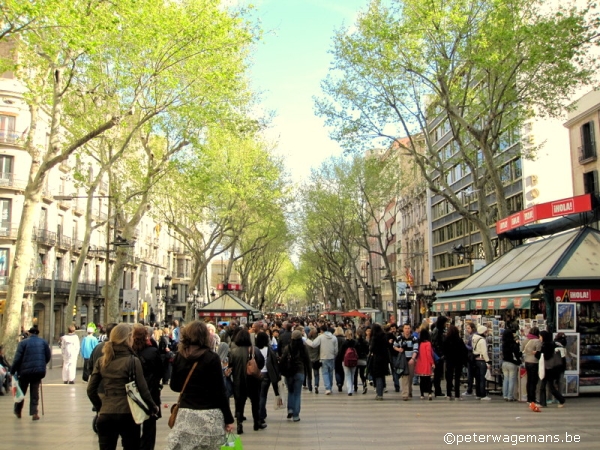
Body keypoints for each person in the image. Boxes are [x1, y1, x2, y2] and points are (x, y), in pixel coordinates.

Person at [87, 323, 158, 450]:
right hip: (128, 414)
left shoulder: (102, 361)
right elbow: (143, 389)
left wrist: (100, 406)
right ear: (128, 339)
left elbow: (91, 389)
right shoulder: (132, 361)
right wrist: (153, 407)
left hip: (106, 413)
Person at [166, 321, 234, 450]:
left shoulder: (180, 356)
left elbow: (174, 386)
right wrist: (228, 418)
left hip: (186, 415)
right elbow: (220, 391)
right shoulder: (212, 358)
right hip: (210, 416)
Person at [131, 324, 164, 450]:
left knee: (134, 423)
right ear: (146, 337)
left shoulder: (130, 352)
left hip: (134, 393)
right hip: (151, 391)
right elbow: (160, 371)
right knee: (150, 425)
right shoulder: (153, 351)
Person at [10, 325, 51, 420]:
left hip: (24, 372)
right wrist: (41, 364)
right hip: (38, 372)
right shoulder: (43, 342)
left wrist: (12, 371)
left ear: (30, 333)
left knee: (21, 391)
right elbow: (48, 356)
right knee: (34, 391)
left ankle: (18, 410)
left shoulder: (23, 343)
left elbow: (17, 359)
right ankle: (34, 413)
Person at [229, 328, 265, 433]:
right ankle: (256, 423)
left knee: (239, 403)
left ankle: (239, 425)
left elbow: (230, 366)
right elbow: (261, 363)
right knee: (255, 402)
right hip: (253, 380)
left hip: (238, 380)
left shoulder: (233, 352)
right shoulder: (254, 350)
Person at [281, 330, 310, 421]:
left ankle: (290, 409)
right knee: (297, 394)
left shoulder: (288, 348)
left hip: (289, 373)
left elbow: (282, 360)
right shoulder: (303, 348)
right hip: (300, 372)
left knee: (290, 392)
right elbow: (307, 361)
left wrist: (281, 371)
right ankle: (296, 415)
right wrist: (309, 375)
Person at [256, 331, 281, 426]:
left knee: (258, 395)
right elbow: (274, 362)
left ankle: (260, 413)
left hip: (256, 374)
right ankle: (261, 415)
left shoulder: (254, 349)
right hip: (266, 374)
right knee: (263, 396)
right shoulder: (269, 350)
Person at [305, 324, 338, 395]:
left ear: (321, 330)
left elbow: (313, 344)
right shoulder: (334, 337)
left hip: (323, 357)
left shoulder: (321, 337)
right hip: (331, 357)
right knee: (330, 373)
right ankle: (330, 387)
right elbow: (336, 349)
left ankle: (327, 388)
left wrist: (306, 340)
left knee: (325, 373)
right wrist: (334, 354)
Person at [539, 330, 566, 408]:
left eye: (540, 336)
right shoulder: (552, 344)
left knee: (547, 387)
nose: (539, 338)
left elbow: (546, 356)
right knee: (549, 387)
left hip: (548, 368)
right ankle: (544, 402)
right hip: (551, 368)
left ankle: (560, 400)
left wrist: (537, 353)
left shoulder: (546, 346)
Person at [443, 324, 468, 400]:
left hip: (449, 361)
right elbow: (464, 350)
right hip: (458, 361)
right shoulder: (459, 340)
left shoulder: (447, 339)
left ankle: (448, 394)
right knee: (457, 378)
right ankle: (457, 395)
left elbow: (444, 350)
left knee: (449, 377)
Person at [521, 326, 542, 412]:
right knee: (534, 381)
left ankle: (528, 398)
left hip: (527, 361)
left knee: (529, 380)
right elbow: (539, 352)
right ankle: (533, 399)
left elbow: (522, 350)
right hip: (534, 362)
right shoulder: (537, 341)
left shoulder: (525, 340)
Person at [368, 324, 390, 401]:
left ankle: (379, 394)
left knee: (378, 377)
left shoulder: (374, 338)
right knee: (381, 376)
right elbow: (387, 346)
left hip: (377, 359)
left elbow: (372, 348)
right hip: (384, 359)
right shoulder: (384, 336)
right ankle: (381, 393)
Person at [414, 327, 435, 400]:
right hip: (426, 364)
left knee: (422, 380)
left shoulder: (419, 343)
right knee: (428, 380)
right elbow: (429, 354)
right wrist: (432, 363)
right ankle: (429, 393)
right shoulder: (428, 343)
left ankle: (422, 394)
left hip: (420, 363)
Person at [472, 325, 492, 401]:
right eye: (486, 332)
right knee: (482, 378)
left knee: (477, 378)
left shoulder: (474, 338)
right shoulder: (482, 340)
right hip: (482, 360)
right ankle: (483, 395)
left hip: (476, 360)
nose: (486, 333)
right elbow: (484, 352)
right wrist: (488, 361)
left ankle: (478, 394)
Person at [501, 326, 521, 402]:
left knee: (505, 379)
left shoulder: (504, 344)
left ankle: (505, 395)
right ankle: (510, 396)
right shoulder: (513, 344)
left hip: (504, 363)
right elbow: (517, 354)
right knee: (511, 380)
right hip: (512, 363)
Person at [431, 316, 447, 397]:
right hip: (438, 355)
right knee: (438, 373)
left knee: (437, 373)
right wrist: (441, 354)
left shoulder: (436, 329)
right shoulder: (438, 331)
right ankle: (437, 390)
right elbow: (437, 343)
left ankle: (437, 389)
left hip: (437, 354)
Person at [340, 329, 357, 396]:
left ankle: (349, 390)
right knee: (352, 375)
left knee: (347, 375)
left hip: (345, 361)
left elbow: (341, 352)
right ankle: (351, 388)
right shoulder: (355, 342)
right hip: (354, 360)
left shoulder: (344, 343)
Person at [462, 322, 477, 397]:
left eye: (468, 328)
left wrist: (465, 345)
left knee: (470, 374)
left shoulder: (473, 336)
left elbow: (472, 348)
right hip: (472, 357)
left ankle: (469, 390)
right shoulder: (472, 336)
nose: (467, 330)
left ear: (472, 328)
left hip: (471, 357)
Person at [305, 327, 321, 393]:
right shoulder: (317, 342)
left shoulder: (306, 342)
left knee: (309, 375)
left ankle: (310, 387)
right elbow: (320, 350)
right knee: (316, 374)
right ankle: (316, 385)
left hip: (308, 360)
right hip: (316, 359)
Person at [354, 328, 370, 394]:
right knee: (362, 374)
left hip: (356, 359)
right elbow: (367, 351)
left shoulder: (355, 342)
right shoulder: (365, 342)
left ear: (356, 334)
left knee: (355, 374)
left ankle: (355, 387)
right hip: (363, 359)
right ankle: (364, 385)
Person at [333, 326, 346, 392]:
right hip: (343, 357)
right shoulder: (344, 339)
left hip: (336, 356)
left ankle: (339, 383)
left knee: (337, 371)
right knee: (342, 371)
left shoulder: (334, 339)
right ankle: (342, 383)